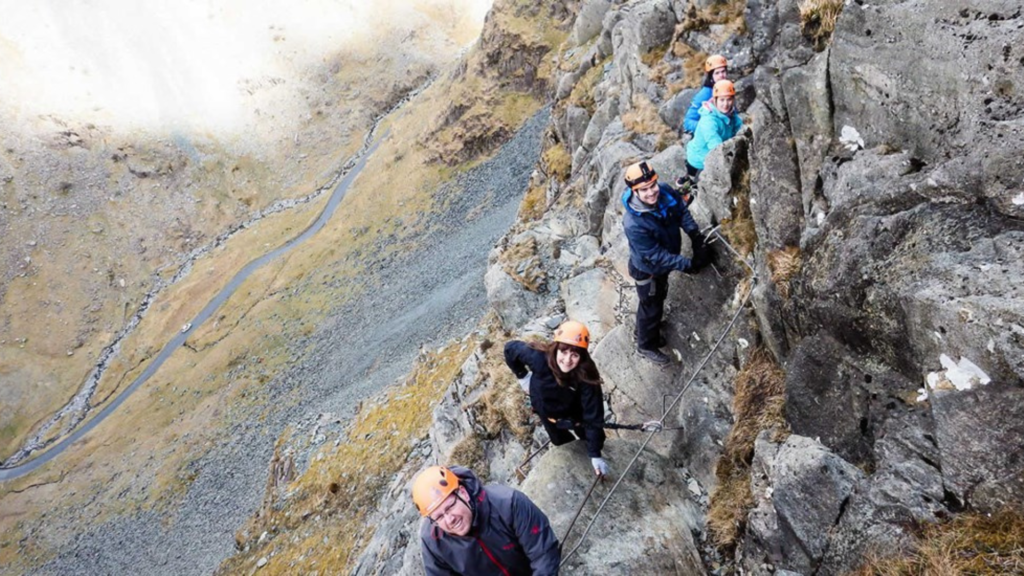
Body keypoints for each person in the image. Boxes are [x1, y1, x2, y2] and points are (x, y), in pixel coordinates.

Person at [621, 161, 709, 364]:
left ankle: (643, 331)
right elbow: (655, 255)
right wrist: (688, 265)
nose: (652, 192)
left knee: (655, 300)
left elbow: (681, 211)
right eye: (644, 189)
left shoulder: (665, 192)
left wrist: (695, 235)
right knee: (651, 306)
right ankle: (645, 345)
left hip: (661, 265)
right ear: (634, 191)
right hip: (648, 270)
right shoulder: (633, 223)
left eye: (653, 185)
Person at [503, 321, 609, 478]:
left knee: (589, 436)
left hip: (576, 413)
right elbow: (510, 348)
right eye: (564, 352)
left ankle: (591, 451)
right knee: (560, 442)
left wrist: (595, 454)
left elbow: (593, 416)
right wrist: (522, 376)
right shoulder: (540, 359)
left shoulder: (586, 377)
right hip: (548, 414)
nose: (567, 360)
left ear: (582, 356)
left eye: (575, 355)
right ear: (556, 348)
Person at [413, 464, 561, 575]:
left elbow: (543, 553)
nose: (449, 519)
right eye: (438, 517)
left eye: (450, 507)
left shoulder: (508, 504)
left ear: (463, 493)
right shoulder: (433, 541)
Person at [685, 79, 744, 178]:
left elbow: (740, 127)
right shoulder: (708, 121)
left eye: (729, 99)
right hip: (699, 162)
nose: (725, 104)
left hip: (710, 155)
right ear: (715, 100)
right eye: (722, 100)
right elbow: (716, 148)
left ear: (733, 100)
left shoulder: (731, 114)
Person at [682, 54, 730, 134]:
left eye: (723, 71)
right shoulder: (705, 94)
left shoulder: (727, 88)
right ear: (711, 76)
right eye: (717, 73)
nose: (721, 75)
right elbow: (688, 122)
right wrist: (707, 127)